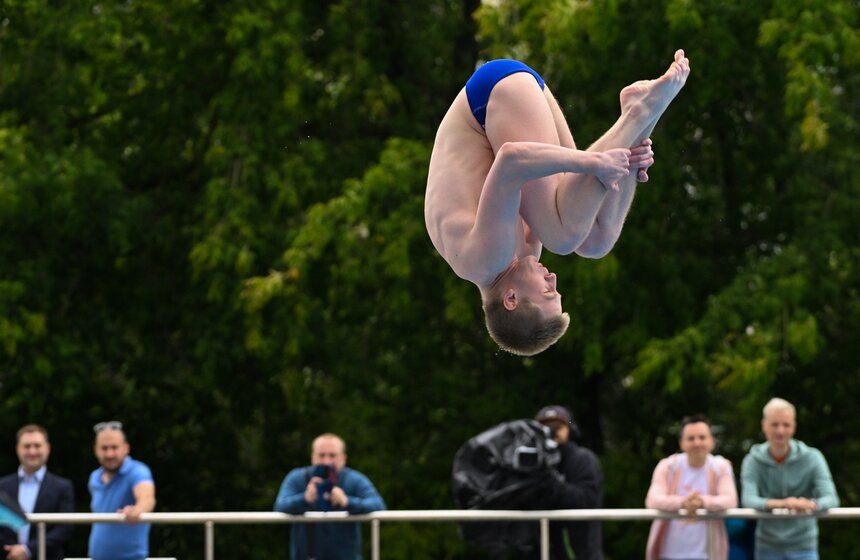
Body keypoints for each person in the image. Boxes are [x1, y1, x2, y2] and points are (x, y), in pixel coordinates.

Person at [424, 50, 690, 355]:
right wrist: (621, 163)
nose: (553, 278)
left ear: (510, 299)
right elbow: (574, 198)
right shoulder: (519, 258)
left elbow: (512, 159)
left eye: (548, 292)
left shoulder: (486, 260)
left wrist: (592, 162)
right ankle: (639, 123)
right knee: (595, 241)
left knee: (563, 237)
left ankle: (638, 114)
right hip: (513, 96)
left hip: (490, 98)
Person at [741, 398, 839, 560]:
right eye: (774, 424)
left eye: (786, 425)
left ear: (794, 426)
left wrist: (811, 504)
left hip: (804, 545)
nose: (780, 431)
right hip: (767, 546)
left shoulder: (813, 457)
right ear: (764, 425)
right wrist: (785, 503)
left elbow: (831, 498)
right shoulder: (752, 460)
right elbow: (748, 499)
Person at [274, 433, 386, 560]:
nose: (326, 461)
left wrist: (347, 502)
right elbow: (280, 505)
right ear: (312, 457)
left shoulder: (354, 479)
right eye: (321, 455)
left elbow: (378, 505)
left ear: (343, 458)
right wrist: (305, 499)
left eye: (332, 455)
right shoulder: (298, 477)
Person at [645, 415, 737, 560]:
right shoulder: (668, 466)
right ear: (681, 443)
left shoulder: (721, 466)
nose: (697, 443)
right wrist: (682, 503)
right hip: (669, 552)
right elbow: (652, 500)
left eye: (702, 437)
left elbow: (730, 500)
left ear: (712, 441)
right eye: (691, 438)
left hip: (708, 553)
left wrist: (701, 502)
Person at [535, 405, 603, 560]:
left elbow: (587, 499)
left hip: (581, 553)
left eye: (558, 426)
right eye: (545, 427)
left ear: (571, 429)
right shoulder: (534, 463)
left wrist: (551, 482)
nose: (552, 431)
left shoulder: (583, 459)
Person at [0, 425, 74, 560]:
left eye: (37, 445)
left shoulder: (63, 487)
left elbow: (64, 529)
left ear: (47, 448)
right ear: (18, 449)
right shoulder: (2, 485)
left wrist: (28, 550)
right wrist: (11, 550)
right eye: (27, 446)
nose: (32, 451)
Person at [87, 421, 156, 560]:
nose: (110, 454)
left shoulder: (138, 471)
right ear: (96, 450)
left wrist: (136, 510)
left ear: (126, 448)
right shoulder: (94, 477)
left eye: (114, 447)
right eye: (104, 448)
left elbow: (147, 498)